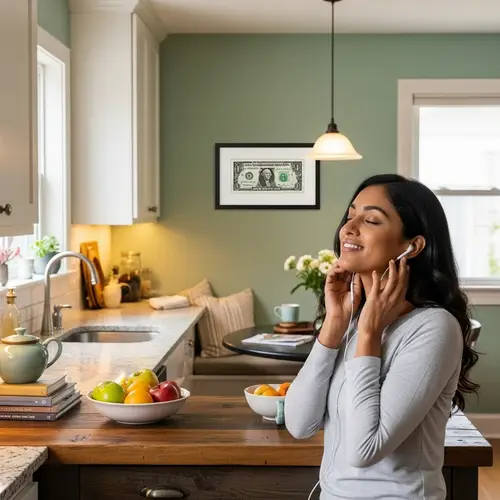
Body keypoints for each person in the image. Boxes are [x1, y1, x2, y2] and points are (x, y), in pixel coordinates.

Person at [284, 174, 479, 500]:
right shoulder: (351, 318)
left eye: (371, 219)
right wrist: (334, 325)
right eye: (350, 216)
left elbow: (364, 449)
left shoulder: (434, 328)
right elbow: (300, 424)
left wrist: (370, 334)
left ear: (412, 246)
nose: (349, 228)